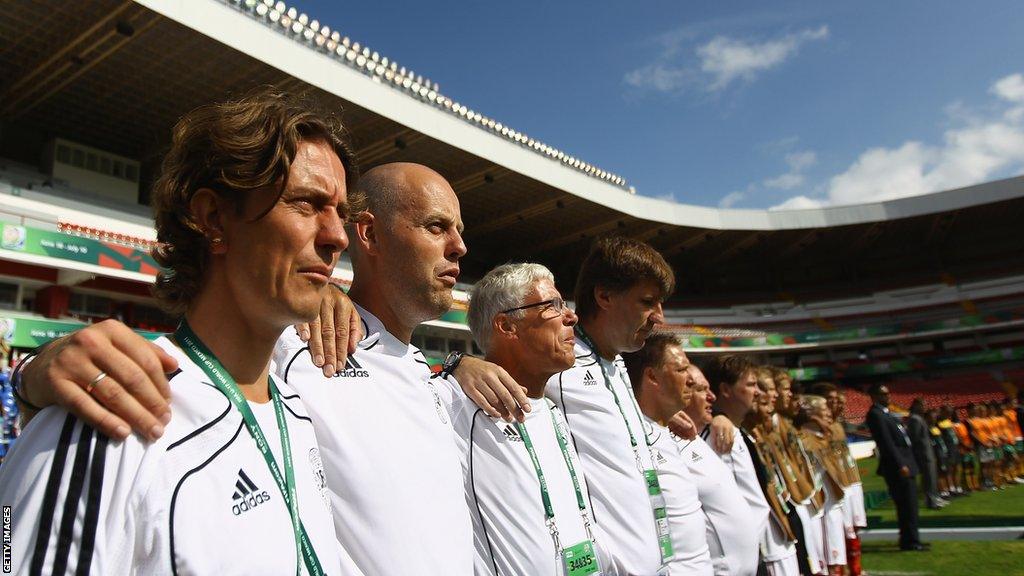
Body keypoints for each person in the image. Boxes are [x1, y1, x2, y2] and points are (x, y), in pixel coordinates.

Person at [15, 161, 533, 576]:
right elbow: (208, 351)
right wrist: (33, 373)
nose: (461, 247)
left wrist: (460, 362)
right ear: (370, 234)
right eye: (437, 227)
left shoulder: (428, 379)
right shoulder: (304, 346)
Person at [0, 90, 359, 574]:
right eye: (306, 203)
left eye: (340, 212)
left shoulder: (296, 409)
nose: (338, 236)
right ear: (213, 218)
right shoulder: (112, 411)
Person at [449, 263, 609, 576]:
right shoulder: (460, 405)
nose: (570, 316)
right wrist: (455, 364)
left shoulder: (554, 411)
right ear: (507, 326)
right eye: (552, 306)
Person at [544, 236, 679, 575]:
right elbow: (496, 367)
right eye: (647, 302)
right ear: (604, 296)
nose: (659, 318)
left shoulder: (618, 363)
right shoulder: (557, 365)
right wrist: (464, 365)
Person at [622, 332, 715, 575]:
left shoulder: (673, 429)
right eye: (681, 370)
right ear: (652, 376)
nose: (691, 380)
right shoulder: (629, 437)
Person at [678, 364, 759, 576]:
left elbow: (754, 503)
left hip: (754, 561)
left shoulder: (723, 433)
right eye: (701, 389)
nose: (711, 397)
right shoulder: (665, 442)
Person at [702, 355, 771, 572]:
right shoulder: (719, 435)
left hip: (752, 551)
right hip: (736, 559)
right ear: (725, 389)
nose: (758, 392)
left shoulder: (736, 431)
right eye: (750, 385)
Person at [743, 369, 801, 576]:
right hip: (767, 525)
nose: (772, 396)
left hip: (785, 506)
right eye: (768, 389)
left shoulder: (768, 430)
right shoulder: (741, 435)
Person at [865, 383, 926, 551]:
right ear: (874, 396)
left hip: (907, 461)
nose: (888, 397)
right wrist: (901, 464)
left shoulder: (887, 414)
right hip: (897, 466)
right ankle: (910, 541)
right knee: (906, 505)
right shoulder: (875, 415)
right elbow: (887, 443)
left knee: (911, 504)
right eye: (883, 394)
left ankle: (913, 538)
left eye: (888, 393)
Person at [907, 398, 946, 509]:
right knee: (928, 479)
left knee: (932, 477)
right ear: (916, 406)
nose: (924, 407)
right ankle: (931, 501)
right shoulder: (915, 419)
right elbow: (915, 438)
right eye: (922, 405)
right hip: (923, 453)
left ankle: (935, 498)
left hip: (927, 452)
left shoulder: (919, 418)